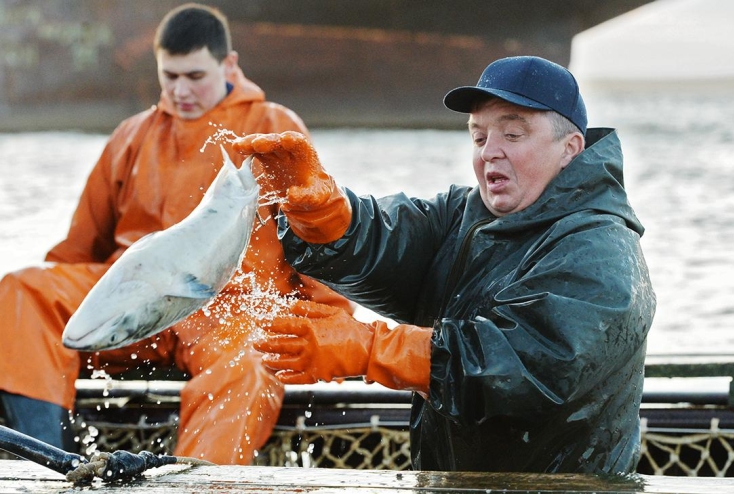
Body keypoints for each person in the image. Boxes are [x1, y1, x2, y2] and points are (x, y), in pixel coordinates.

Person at [233, 56, 657, 473]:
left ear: (570, 149)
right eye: (478, 137)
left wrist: (369, 348)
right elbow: (387, 239)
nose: (490, 152)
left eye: (512, 134)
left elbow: (523, 369)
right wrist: (324, 214)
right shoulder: (462, 213)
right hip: (452, 482)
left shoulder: (600, 249)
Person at [0, 3, 351, 464]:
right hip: (134, 304)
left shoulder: (274, 129)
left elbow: (317, 231)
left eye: (194, 76)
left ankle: (193, 483)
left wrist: (335, 327)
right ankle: (47, 464)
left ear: (229, 65)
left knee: (249, 366)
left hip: (227, 312)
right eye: (170, 76)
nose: (180, 90)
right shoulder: (132, 134)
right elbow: (76, 251)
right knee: (23, 291)